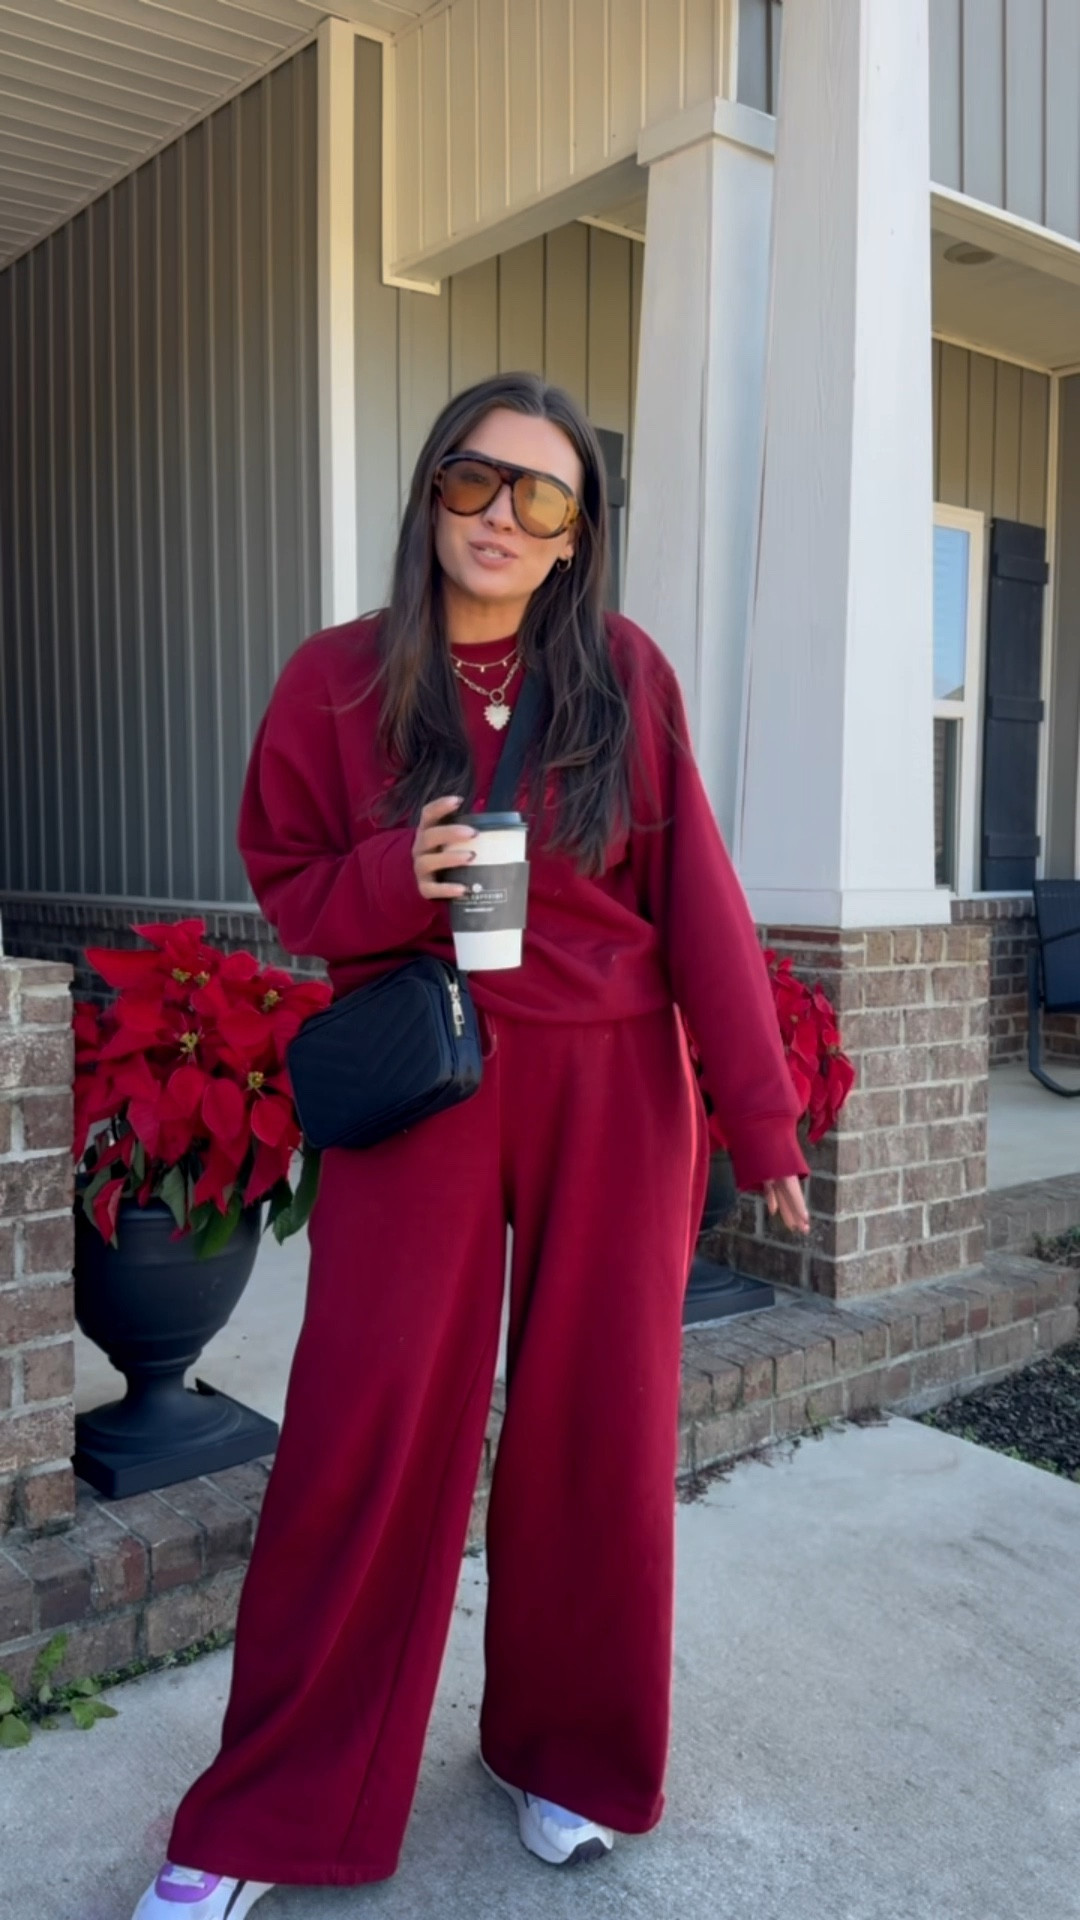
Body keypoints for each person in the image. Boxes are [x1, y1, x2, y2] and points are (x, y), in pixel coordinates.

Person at [132, 372, 810, 1920]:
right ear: (429, 492)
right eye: (475, 481)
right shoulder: (334, 684)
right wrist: (396, 873)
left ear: (581, 536)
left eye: (544, 496)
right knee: (362, 1430)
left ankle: (564, 1751)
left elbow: (693, 896)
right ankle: (278, 1810)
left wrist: (760, 1112)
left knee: (600, 1430)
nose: (503, 516)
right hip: (421, 1084)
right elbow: (291, 882)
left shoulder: (623, 677)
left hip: (611, 1084)